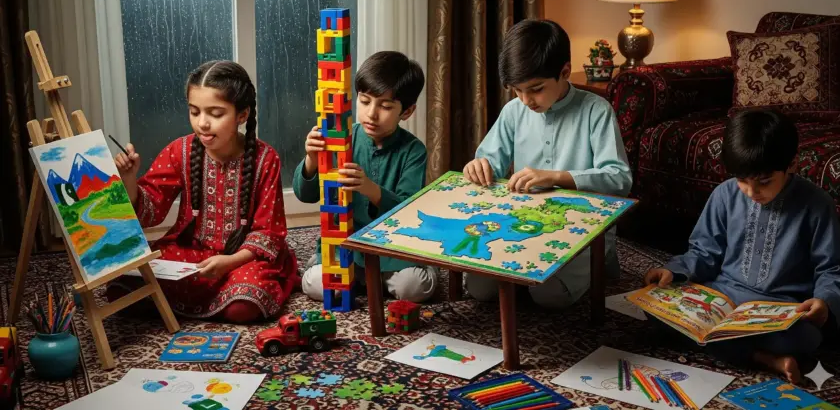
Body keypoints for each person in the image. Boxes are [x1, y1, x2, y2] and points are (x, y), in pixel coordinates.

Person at [645, 109, 840, 383]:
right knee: (655, 309)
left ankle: (748, 350)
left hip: (780, 310)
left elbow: (831, 268)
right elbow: (703, 251)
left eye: (764, 182)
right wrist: (673, 272)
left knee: (804, 337)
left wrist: (824, 303)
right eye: (742, 181)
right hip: (723, 297)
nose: (751, 192)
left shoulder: (817, 205)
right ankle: (765, 358)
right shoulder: (724, 194)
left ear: (792, 164)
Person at [462, 19, 632, 308]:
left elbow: (619, 179)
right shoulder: (514, 111)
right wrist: (478, 166)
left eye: (536, 89)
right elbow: (489, 162)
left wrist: (556, 177)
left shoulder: (596, 111)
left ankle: (601, 259)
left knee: (549, 294)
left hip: (581, 224)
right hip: (522, 222)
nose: (526, 100)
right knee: (478, 288)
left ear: (564, 72)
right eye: (517, 90)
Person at [112, 60, 298, 323]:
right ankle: (200, 301)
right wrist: (129, 178)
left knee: (244, 306)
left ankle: (184, 303)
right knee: (123, 288)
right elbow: (151, 209)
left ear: (242, 115)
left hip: (243, 258)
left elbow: (268, 232)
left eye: (216, 113)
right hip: (190, 252)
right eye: (194, 111)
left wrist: (229, 262)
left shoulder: (266, 159)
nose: (202, 123)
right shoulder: (179, 151)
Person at [294, 51, 436, 303]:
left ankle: (414, 268)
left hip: (391, 249)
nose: (371, 113)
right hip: (346, 244)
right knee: (317, 284)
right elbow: (305, 195)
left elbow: (408, 212)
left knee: (413, 288)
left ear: (407, 111)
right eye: (365, 101)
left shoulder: (414, 151)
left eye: (385, 106)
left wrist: (371, 189)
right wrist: (312, 160)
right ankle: (351, 275)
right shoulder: (342, 137)